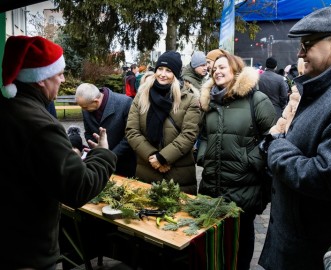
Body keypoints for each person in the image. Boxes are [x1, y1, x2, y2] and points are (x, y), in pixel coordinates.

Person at [0, 35, 116, 269]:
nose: (63, 79)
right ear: (41, 78)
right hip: (28, 254)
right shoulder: (41, 125)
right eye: (59, 73)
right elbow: (79, 187)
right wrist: (103, 154)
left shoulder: (10, 108)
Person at [258, 7, 331, 270]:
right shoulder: (330, 85)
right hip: (300, 243)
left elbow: (328, 176)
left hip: (312, 251)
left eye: (307, 44)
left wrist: (277, 148)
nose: (300, 53)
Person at [196, 50, 276, 270]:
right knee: (214, 242)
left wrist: (249, 160)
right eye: (214, 69)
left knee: (241, 243)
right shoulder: (210, 102)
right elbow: (203, 136)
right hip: (212, 184)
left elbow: (273, 138)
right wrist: (203, 156)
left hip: (244, 187)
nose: (216, 71)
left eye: (222, 67)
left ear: (235, 69)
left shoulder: (256, 99)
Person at [125, 51, 201, 195]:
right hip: (147, 170)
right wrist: (153, 157)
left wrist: (163, 158)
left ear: (176, 74)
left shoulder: (189, 99)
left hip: (179, 174)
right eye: (160, 69)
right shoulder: (142, 96)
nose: (163, 74)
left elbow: (189, 134)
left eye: (169, 70)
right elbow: (131, 131)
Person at [75, 82, 136, 177]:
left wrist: (109, 155)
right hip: (101, 162)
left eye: (85, 107)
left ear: (96, 101)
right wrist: (96, 150)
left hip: (124, 163)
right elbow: (88, 132)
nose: (83, 109)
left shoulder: (125, 102)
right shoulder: (86, 106)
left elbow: (130, 135)